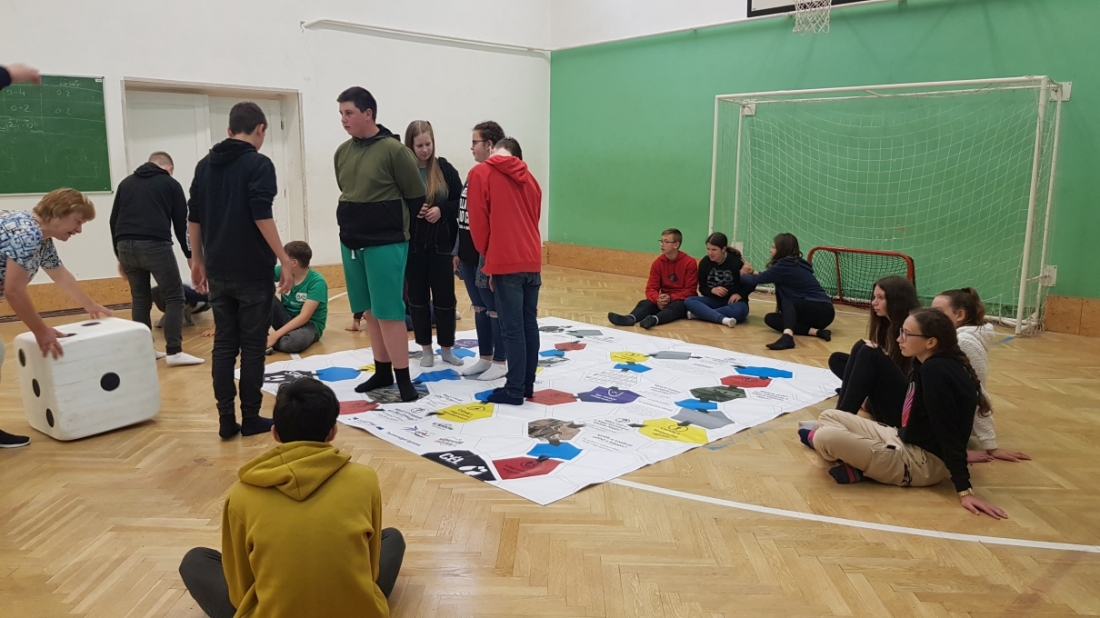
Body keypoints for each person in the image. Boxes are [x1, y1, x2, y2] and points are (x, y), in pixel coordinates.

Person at [178, 377, 406, 618]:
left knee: (195, 561)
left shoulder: (241, 495)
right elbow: (371, 570)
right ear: (333, 432)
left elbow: (239, 589)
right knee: (392, 538)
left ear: (275, 433)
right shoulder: (365, 479)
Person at [801, 308, 1008, 519]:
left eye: (907, 334)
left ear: (931, 342)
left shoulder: (936, 371)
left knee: (825, 436)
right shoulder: (927, 363)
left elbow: (947, 430)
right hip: (905, 440)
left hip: (922, 464)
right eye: (901, 332)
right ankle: (854, 460)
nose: (899, 339)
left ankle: (853, 462)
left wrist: (965, 491)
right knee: (829, 416)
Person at [189, 102, 294, 440]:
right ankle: (250, 417)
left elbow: (194, 217)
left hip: (218, 269)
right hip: (251, 270)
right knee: (252, 347)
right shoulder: (258, 164)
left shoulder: (204, 165)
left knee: (224, 346)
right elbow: (261, 214)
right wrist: (284, 258)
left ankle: (225, 419)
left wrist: (197, 259)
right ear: (260, 129)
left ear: (230, 129)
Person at [334, 87, 427, 402]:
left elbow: (415, 196)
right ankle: (382, 371)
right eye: (341, 114)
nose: (344, 119)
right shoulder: (342, 152)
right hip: (351, 243)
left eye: (349, 113)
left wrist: (392, 228)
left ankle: (404, 379)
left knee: (389, 312)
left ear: (368, 113)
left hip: (386, 243)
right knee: (369, 311)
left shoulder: (394, 150)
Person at [0, 189, 113, 447]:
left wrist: (89, 303)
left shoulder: (40, 236)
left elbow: (59, 274)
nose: (79, 230)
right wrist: (41, 331)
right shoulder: (26, 233)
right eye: (78, 221)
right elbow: (14, 291)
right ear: (58, 213)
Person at [468, 137, 543, 405]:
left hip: (505, 259)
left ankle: (513, 390)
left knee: (512, 328)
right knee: (528, 324)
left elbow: (478, 223)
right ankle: (526, 385)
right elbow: (533, 219)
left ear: (492, 149)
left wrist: (490, 259)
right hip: (532, 258)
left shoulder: (480, 173)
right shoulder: (531, 179)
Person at [111, 151, 204, 367]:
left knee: (140, 299)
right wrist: (191, 257)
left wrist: (119, 255)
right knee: (175, 297)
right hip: (154, 246)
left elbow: (113, 221)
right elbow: (182, 224)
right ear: (169, 168)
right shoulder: (170, 184)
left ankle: (145, 350)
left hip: (125, 246)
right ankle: (174, 352)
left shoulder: (126, 183)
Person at [931, 288, 1030, 464]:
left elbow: (976, 392)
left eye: (938, 312)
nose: (931, 317)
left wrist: (991, 446)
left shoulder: (963, 343)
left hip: (950, 425)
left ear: (960, 315)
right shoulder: (955, 338)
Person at [403, 120, 465, 368]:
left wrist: (441, 210)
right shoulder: (403, 171)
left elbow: (461, 202)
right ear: (410, 146)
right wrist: (412, 211)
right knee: (417, 299)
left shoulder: (444, 168)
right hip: (414, 245)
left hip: (441, 244)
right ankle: (426, 349)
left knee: (445, 298)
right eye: (419, 145)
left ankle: (447, 348)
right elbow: (394, 205)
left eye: (428, 144)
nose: (425, 150)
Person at [453, 121, 509, 382]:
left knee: (494, 308)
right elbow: (463, 215)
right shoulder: (473, 174)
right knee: (479, 307)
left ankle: (500, 360)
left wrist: (491, 260)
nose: (471, 147)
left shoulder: (496, 177)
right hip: (467, 253)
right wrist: (457, 250)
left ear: (489, 145)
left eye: (475, 142)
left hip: (485, 257)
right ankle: (485, 357)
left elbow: (496, 222)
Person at [828, 276, 919, 428]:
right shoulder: (887, 325)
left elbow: (905, 378)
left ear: (897, 300)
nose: (873, 303)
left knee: (868, 353)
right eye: (874, 297)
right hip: (889, 394)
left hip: (904, 411)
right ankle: (841, 414)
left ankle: (839, 422)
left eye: (881, 298)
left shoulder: (912, 329)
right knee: (849, 353)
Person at [740, 233, 834, 350]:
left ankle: (787, 337)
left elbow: (758, 279)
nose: (770, 250)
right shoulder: (792, 263)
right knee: (771, 319)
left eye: (773, 247)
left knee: (787, 301)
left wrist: (740, 274)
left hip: (822, 310)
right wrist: (752, 272)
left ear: (782, 249)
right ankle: (817, 332)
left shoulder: (786, 265)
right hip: (813, 312)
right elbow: (767, 275)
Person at [608, 228, 697, 330]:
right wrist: (657, 299)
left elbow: (690, 291)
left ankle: (654, 320)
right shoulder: (658, 263)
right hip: (663, 299)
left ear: (676, 245)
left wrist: (671, 297)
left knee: (677, 307)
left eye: (666, 242)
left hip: (680, 299)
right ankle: (630, 318)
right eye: (661, 241)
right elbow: (651, 288)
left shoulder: (689, 262)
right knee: (645, 303)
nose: (662, 245)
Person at [267, 241, 328, 355]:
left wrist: (275, 335)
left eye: (285, 259)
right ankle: (262, 338)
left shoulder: (317, 282)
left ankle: (265, 342)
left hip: (309, 325)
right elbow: (260, 275)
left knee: (291, 343)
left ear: (294, 262)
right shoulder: (283, 271)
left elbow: (304, 317)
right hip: (286, 318)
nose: (282, 261)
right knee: (263, 293)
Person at [684, 232, 755, 328]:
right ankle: (722, 319)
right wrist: (712, 290)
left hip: (732, 302)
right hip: (713, 300)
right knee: (689, 300)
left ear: (723, 249)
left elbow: (752, 282)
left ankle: (701, 314)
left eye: (714, 249)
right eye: (708, 249)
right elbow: (702, 288)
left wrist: (740, 294)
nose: (710, 253)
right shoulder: (705, 263)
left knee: (741, 311)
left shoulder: (736, 262)